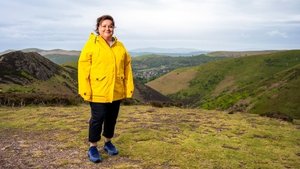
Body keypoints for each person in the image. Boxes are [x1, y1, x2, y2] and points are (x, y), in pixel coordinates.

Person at [78, 15, 134, 163]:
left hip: (116, 90)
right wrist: (85, 90)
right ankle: (93, 147)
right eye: (104, 26)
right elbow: (83, 69)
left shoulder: (120, 45)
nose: (107, 28)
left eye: (110, 26)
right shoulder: (91, 44)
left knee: (111, 118)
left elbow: (127, 67)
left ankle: (108, 142)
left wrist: (128, 87)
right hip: (97, 90)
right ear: (98, 28)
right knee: (98, 118)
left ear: (113, 28)